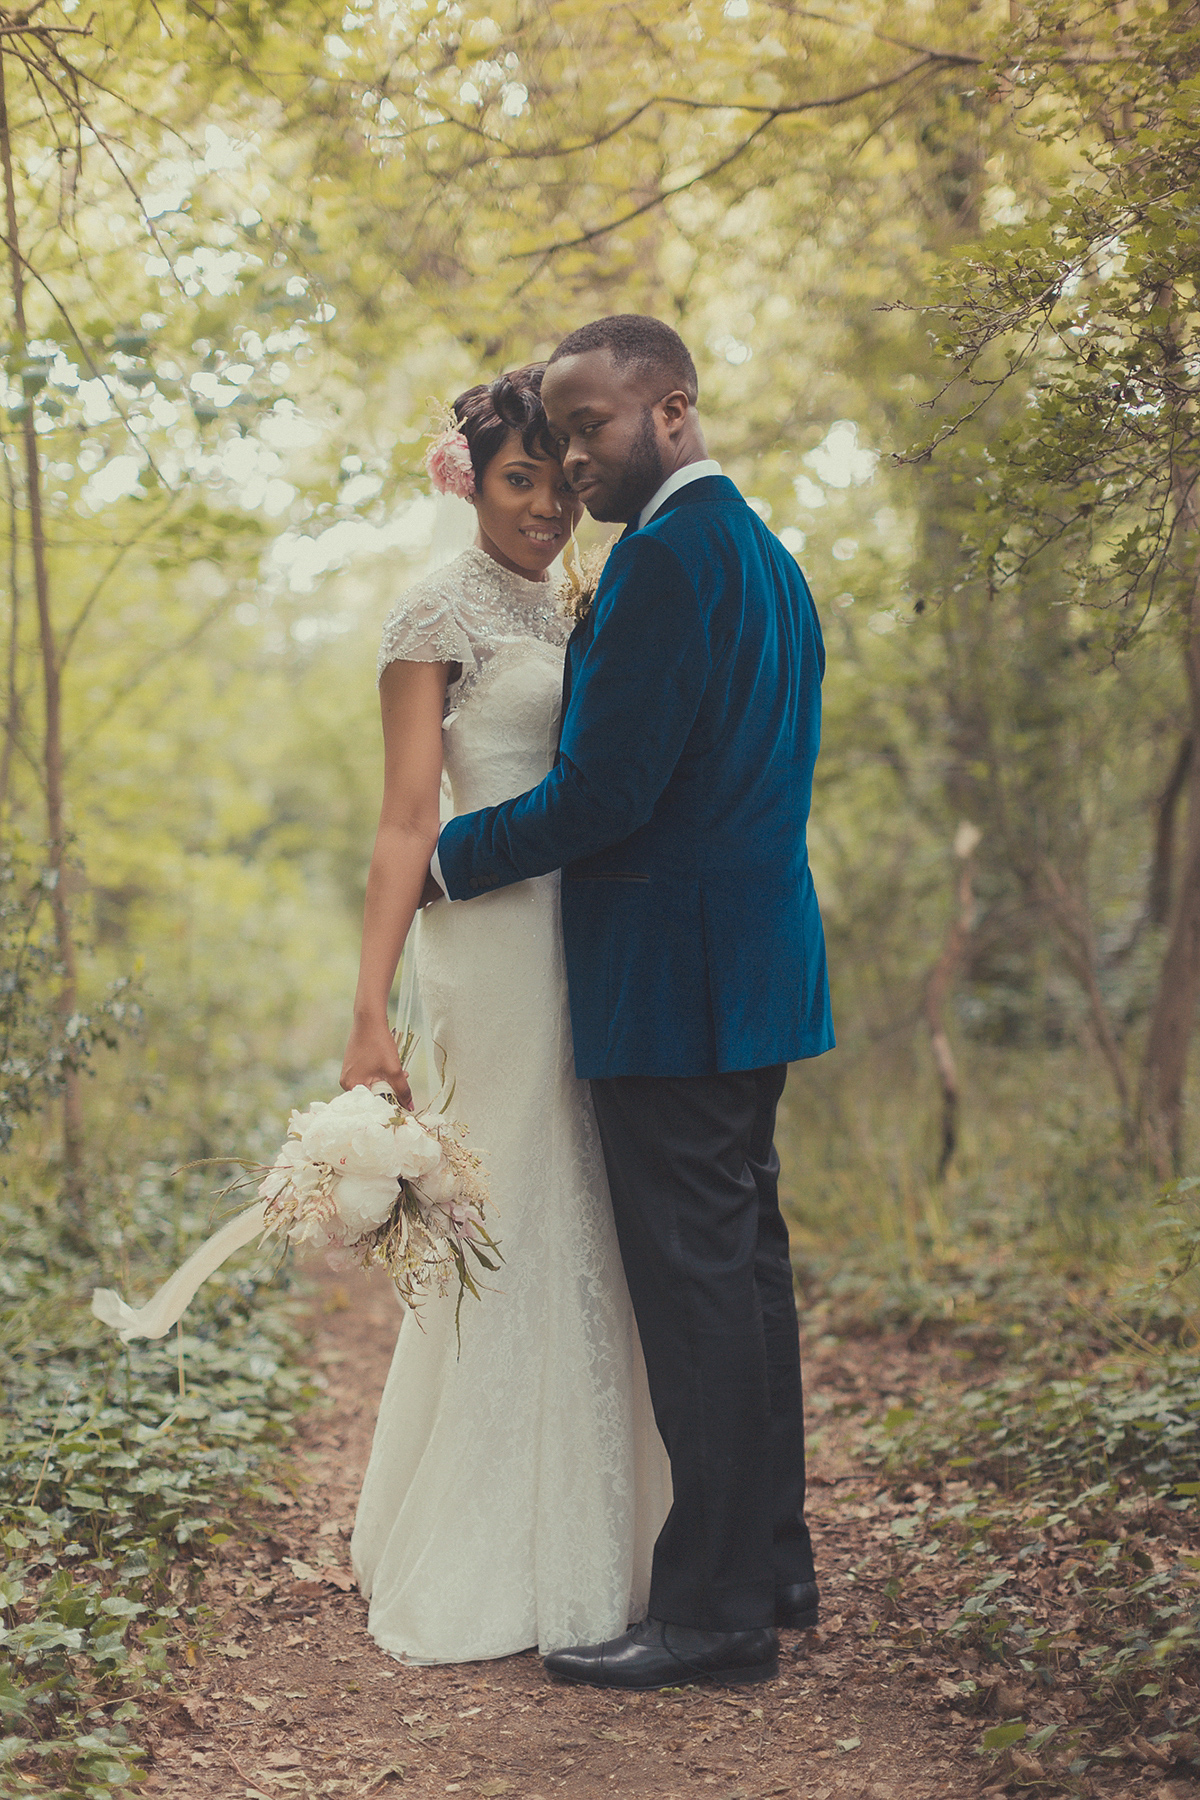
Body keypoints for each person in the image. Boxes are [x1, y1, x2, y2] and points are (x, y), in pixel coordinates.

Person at [430, 315, 834, 1690]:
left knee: (699, 1290)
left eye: (592, 425)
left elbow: (608, 796)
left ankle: (714, 1613)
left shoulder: (666, 563)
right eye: (558, 432)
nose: (576, 457)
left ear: (671, 408)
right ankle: (772, 1562)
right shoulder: (767, 558)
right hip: (758, 969)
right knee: (750, 1277)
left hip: (675, 981)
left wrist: (452, 857)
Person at [343, 365, 670, 1665]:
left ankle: (608, 1526)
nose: (546, 505)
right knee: (506, 1206)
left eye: (563, 478)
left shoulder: (582, 601)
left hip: (587, 943)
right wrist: (368, 1009)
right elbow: (406, 823)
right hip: (485, 949)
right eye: (519, 478)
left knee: (583, 1203)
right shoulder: (433, 614)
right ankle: (485, 1542)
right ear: (467, 477)